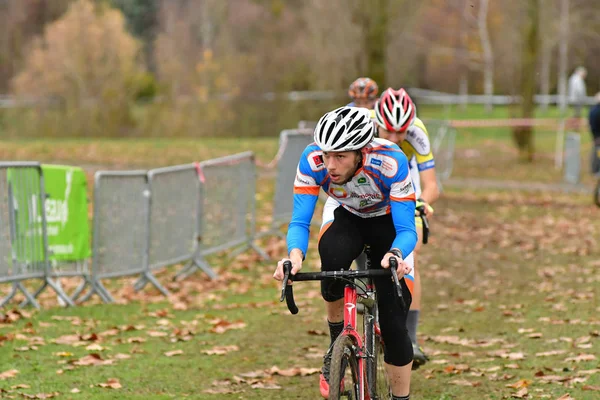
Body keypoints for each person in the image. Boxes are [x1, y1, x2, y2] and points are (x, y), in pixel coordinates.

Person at [273, 106, 418, 400]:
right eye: (327, 155)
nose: (330, 164)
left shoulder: (390, 161)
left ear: (361, 152)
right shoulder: (312, 161)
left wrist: (396, 253)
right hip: (347, 216)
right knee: (333, 263)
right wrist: (295, 255)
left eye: (340, 156)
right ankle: (335, 345)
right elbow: (300, 221)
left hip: (388, 223)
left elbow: (407, 230)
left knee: (394, 325)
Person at [374, 87, 440, 368]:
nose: (393, 138)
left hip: (406, 182)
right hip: (374, 181)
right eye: (387, 132)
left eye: (399, 133)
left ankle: (410, 338)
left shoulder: (417, 132)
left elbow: (431, 184)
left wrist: (423, 202)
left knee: (411, 257)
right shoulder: (364, 126)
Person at [568, 66, 587, 131]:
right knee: (576, 114)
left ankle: (575, 126)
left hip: (576, 99)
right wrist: (581, 98)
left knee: (576, 113)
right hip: (577, 99)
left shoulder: (574, 78)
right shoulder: (577, 79)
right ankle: (575, 126)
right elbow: (579, 90)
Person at [589, 92, 600, 175]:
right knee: (598, 153)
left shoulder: (592, 110)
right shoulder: (598, 111)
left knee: (596, 152)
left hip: (595, 134)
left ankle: (594, 169)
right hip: (598, 135)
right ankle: (596, 170)